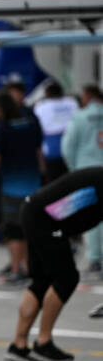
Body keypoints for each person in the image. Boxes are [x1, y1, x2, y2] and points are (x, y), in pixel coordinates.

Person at [6, 166, 103, 361]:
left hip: (36, 212)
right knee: (66, 278)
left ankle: (19, 344)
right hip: (46, 219)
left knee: (42, 281)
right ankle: (43, 341)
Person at [0, 89, 44, 285]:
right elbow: (39, 153)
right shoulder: (31, 122)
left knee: (14, 230)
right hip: (34, 184)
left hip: (11, 187)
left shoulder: (2, 129)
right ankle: (29, 269)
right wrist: (43, 176)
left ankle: (16, 269)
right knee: (29, 228)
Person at [61, 85, 103, 277]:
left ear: (87, 97)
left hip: (86, 171)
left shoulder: (80, 117)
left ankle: (95, 259)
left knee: (90, 216)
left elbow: (68, 147)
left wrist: (73, 169)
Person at [34, 83, 79, 183]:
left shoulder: (41, 107)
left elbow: (38, 129)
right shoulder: (72, 103)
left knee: (55, 183)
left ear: (47, 93)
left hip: (52, 150)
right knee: (72, 182)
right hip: (74, 148)